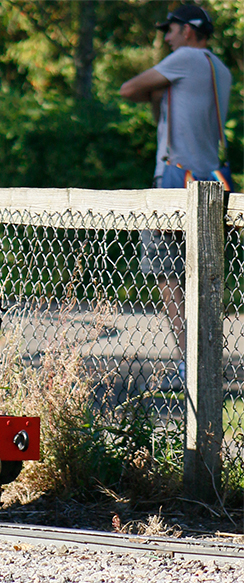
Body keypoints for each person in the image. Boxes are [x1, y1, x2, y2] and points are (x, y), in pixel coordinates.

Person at [119, 4, 232, 382]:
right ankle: (209, 352)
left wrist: (155, 91)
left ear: (188, 30)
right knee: (204, 273)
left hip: (173, 181)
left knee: (167, 272)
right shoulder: (222, 70)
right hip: (211, 181)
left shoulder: (183, 59)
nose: (166, 37)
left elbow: (128, 88)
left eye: (170, 30)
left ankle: (190, 358)